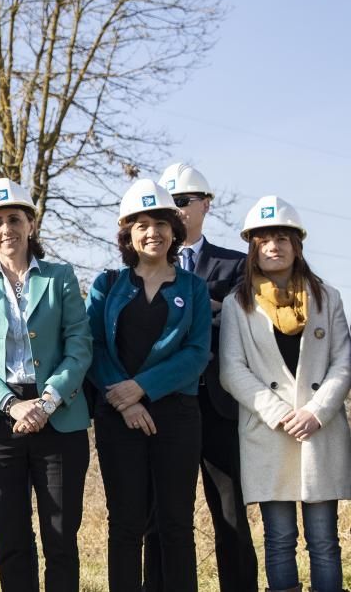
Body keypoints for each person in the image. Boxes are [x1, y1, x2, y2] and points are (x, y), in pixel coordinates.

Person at [0, 178, 92, 592]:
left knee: (60, 537)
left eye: (14, 218)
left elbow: (79, 345)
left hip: (59, 418)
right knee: (11, 540)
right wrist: (12, 405)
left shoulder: (60, 277)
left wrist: (47, 402)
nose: (6, 228)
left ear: (31, 224)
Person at [220, 196, 351, 592]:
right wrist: (279, 413)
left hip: (319, 430)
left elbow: (343, 362)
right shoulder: (236, 303)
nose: (272, 247)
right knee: (279, 540)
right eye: (263, 240)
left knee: (325, 541)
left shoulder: (327, 298)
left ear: (297, 246)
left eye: (281, 238)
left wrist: (316, 411)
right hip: (270, 430)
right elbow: (231, 370)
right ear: (252, 249)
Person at [86, 180, 211, 592]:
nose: (151, 232)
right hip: (117, 417)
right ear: (128, 234)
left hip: (176, 417)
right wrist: (125, 400)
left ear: (175, 231)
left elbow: (195, 353)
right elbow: (95, 346)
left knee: (175, 523)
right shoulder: (107, 285)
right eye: (140, 225)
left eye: (160, 222)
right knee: (125, 523)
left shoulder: (193, 288)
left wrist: (141, 388)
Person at [139, 163, 256, 592]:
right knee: (162, 513)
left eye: (185, 202)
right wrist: (206, 309)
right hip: (165, 404)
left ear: (206, 203)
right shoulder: (144, 270)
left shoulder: (237, 265)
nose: (178, 211)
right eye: (171, 205)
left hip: (219, 404)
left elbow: (243, 324)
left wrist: (182, 310)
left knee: (230, 513)